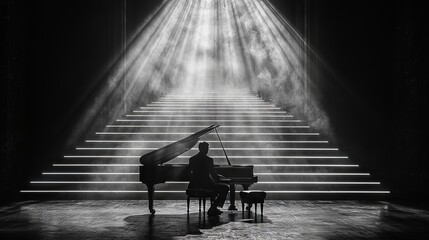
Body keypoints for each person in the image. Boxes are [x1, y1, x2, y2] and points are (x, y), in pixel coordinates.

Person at [188, 142, 229, 216]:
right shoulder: (209, 160)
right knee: (225, 188)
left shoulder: (192, 159)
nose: (207, 150)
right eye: (207, 148)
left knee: (216, 188)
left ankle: (214, 208)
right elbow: (213, 174)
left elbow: (188, 173)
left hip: (194, 186)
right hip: (206, 186)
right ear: (204, 149)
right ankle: (213, 208)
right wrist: (219, 177)